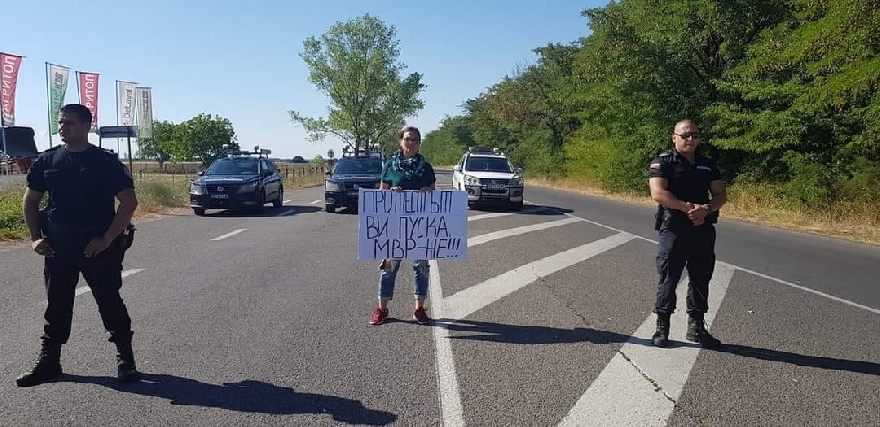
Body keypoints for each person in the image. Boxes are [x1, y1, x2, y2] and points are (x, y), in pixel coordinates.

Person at [17, 104, 141, 387]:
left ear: (87, 125)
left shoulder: (105, 162)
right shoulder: (48, 161)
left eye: (69, 123)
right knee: (57, 303)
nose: (63, 127)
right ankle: (50, 362)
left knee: (109, 301)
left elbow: (129, 202)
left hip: (97, 244)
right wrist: (36, 237)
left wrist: (107, 238)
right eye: (61, 123)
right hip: (58, 244)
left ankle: (126, 360)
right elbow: (31, 200)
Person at [648, 119, 727, 348]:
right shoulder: (663, 162)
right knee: (668, 278)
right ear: (674, 137)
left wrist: (707, 209)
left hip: (702, 228)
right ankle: (662, 327)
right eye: (685, 135)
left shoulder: (708, 164)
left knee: (701, 279)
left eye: (694, 135)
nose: (690, 139)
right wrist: (688, 208)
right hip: (674, 229)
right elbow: (658, 193)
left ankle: (697, 328)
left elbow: (720, 194)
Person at [369, 125, 436, 325]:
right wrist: (391, 194)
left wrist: (426, 190)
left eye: (415, 140)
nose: (411, 143)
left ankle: (419, 309)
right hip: (395, 226)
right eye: (408, 139)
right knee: (389, 266)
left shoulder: (426, 168)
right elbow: (381, 194)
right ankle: (382, 309)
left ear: (419, 143)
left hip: (419, 225)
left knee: (421, 266)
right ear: (401, 141)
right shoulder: (390, 166)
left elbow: (435, 197)